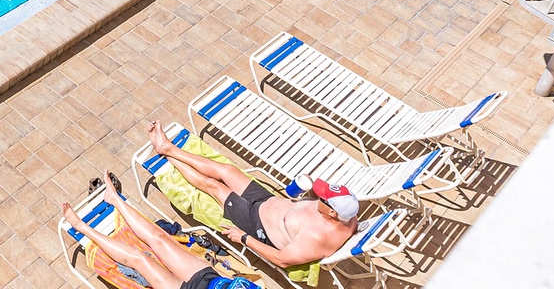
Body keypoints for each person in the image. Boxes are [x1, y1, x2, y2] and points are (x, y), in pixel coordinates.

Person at [143, 123, 359, 270]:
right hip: (268, 200)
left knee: (213, 186)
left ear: (332, 212)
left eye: (322, 198)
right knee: (227, 171)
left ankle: (168, 155)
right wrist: (308, 189)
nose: (319, 197)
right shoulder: (347, 214)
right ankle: (168, 148)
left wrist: (243, 238)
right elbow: (316, 203)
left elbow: (282, 260)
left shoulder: (317, 239)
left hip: (256, 223)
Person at [62, 187, 266, 289]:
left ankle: (81, 226)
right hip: (211, 279)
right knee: (160, 239)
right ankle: (114, 199)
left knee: (139, 258)